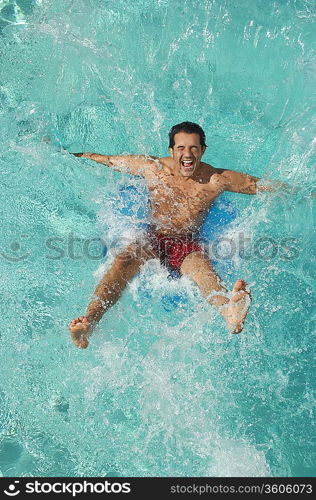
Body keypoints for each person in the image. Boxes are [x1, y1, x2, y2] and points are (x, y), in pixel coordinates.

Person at [69, 121, 282, 348]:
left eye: (193, 148)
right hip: (153, 238)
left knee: (202, 268)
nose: (187, 154)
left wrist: (302, 194)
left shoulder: (216, 179)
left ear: (203, 150)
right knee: (123, 261)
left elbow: (262, 186)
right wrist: (72, 155)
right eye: (181, 148)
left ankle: (229, 312)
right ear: (171, 151)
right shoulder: (152, 168)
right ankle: (89, 323)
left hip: (187, 245)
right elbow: (109, 160)